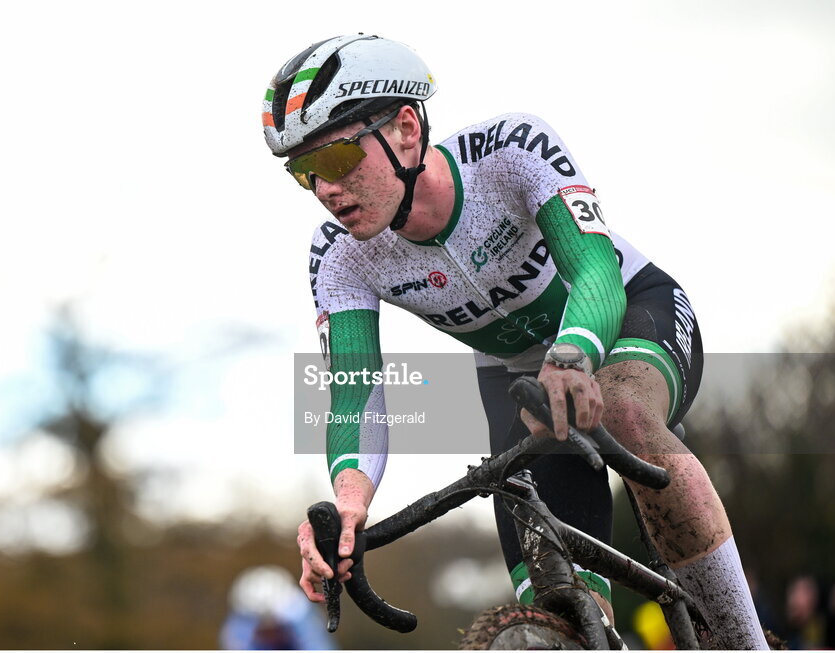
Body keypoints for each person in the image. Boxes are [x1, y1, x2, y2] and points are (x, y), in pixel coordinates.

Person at [263, 34, 768, 648]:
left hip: (628, 315)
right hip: (516, 379)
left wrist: (574, 355)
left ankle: (745, 644)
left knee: (624, 408)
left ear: (404, 128)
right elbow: (354, 393)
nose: (325, 190)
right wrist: (348, 504)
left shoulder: (508, 151)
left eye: (338, 160)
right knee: (552, 594)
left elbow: (595, 270)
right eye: (303, 172)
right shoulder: (340, 257)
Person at [220, 565, 336, 650]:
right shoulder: (240, 623)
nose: (270, 634)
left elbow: (317, 645)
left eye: (273, 627)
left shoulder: (298, 612)